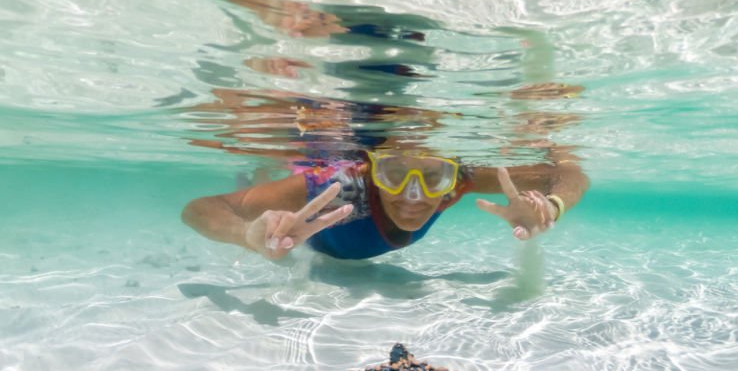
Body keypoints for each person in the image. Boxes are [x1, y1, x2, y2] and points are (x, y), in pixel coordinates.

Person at [181, 146, 588, 262]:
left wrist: (549, 206)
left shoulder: (461, 180)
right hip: (311, 177)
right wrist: (248, 234)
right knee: (260, 184)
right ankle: (256, 174)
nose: (414, 196)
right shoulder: (338, 187)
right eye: (394, 173)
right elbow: (199, 208)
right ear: (372, 169)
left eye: (432, 177)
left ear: (452, 178)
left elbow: (571, 173)